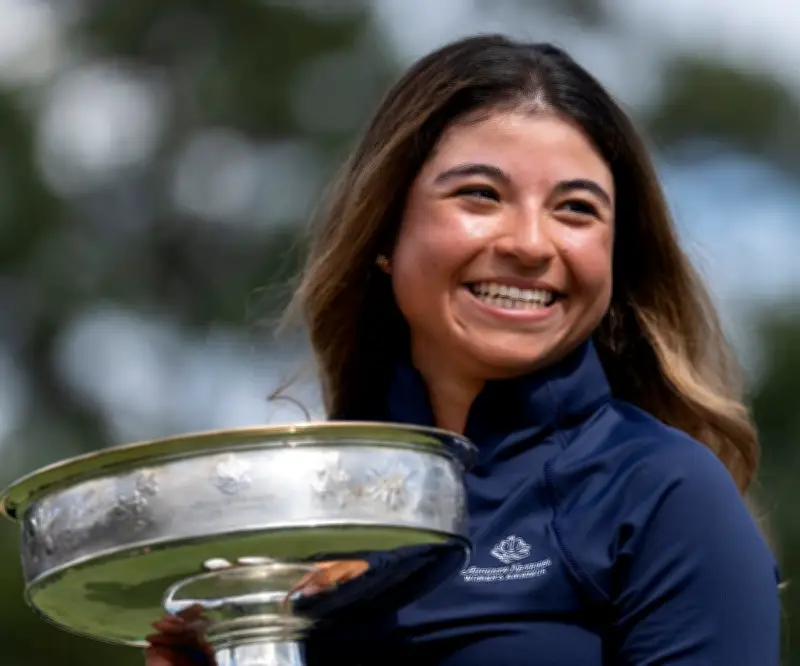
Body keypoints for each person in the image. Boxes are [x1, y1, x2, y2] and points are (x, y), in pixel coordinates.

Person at [146, 34, 780, 666]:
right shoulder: (307, 513)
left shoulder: (666, 494)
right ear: (386, 232)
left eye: (577, 209)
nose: (532, 243)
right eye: (481, 194)